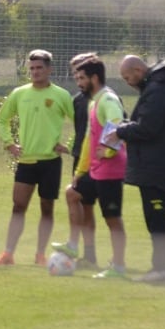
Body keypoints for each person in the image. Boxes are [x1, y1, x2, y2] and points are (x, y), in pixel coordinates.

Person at [105, 55, 165, 283]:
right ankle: (160, 267)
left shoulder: (158, 90)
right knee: (153, 216)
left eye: (127, 76)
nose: (127, 81)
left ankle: (162, 269)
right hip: (151, 163)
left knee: (157, 216)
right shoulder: (154, 87)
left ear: (139, 69)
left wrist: (121, 131)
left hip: (156, 164)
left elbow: (149, 128)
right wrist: (126, 127)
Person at [0, 50, 74, 266]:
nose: (35, 72)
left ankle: (40, 255)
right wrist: (9, 143)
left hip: (50, 162)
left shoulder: (61, 95)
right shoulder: (19, 93)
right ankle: (8, 254)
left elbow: (82, 121)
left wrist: (69, 145)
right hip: (26, 161)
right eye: (32, 68)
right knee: (18, 206)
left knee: (47, 208)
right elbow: (2, 120)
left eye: (39, 68)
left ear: (49, 69)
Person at [61, 57, 130, 279]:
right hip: (95, 170)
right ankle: (73, 245)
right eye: (77, 78)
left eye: (82, 78)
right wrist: (80, 171)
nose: (79, 83)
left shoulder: (108, 99)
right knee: (72, 193)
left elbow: (117, 123)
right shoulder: (93, 102)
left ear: (94, 78)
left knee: (112, 219)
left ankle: (118, 268)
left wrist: (108, 149)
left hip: (111, 171)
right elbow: (88, 141)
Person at [54, 52, 100, 268]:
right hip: (80, 161)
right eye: (75, 75)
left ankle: (80, 249)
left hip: (100, 163)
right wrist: (70, 147)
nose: (77, 79)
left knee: (80, 199)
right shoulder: (78, 101)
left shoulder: (105, 99)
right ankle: (89, 256)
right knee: (85, 205)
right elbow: (79, 130)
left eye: (80, 74)